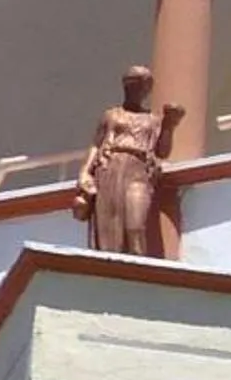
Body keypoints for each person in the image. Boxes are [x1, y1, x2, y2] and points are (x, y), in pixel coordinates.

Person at [74, 66, 184, 258]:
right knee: (108, 223)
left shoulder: (152, 120)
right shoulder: (112, 115)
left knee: (135, 225)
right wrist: (85, 172)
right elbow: (95, 145)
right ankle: (110, 265)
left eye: (142, 85)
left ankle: (137, 265)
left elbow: (163, 152)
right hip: (110, 167)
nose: (136, 89)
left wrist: (169, 125)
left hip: (138, 171)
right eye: (132, 84)